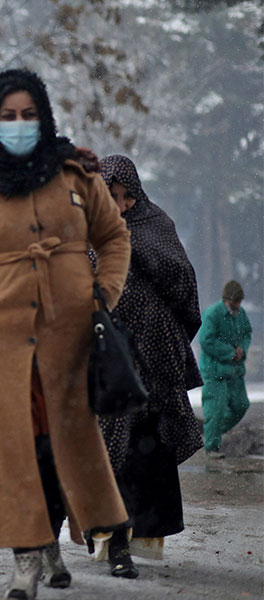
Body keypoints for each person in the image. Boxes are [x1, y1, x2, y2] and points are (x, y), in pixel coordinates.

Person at [0, 69, 135, 599]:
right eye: (8, 116)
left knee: (60, 445)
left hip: (68, 336)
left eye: (28, 115)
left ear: (43, 116)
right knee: (12, 449)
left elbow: (114, 237)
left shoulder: (76, 172)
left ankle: (54, 540)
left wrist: (103, 294)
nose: (19, 124)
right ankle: (27, 557)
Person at [98, 154, 205, 563]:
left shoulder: (155, 224)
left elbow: (182, 282)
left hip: (155, 356)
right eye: (113, 196)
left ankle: (140, 534)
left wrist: (137, 250)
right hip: (108, 358)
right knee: (110, 447)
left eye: (129, 197)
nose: (122, 205)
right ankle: (113, 540)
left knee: (147, 451)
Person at [198, 280, 253, 456]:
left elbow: (247, 333)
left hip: (235, 370)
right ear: (227, 299)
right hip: (215, 371)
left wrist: (241, 350)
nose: (237, 305)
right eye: (234, 301)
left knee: (241, 405)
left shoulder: (241, 314)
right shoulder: (213, 314)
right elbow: (206, 340)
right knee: (216, 408)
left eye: (239, 302)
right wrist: (230, 352)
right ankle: (212, 446)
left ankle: (211, 432)